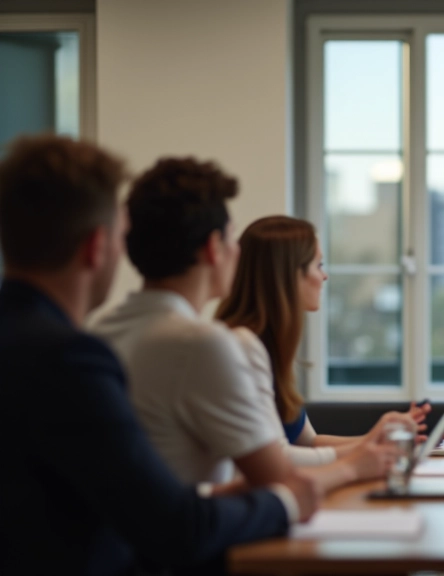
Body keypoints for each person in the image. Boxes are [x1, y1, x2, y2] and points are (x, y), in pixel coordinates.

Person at [0, 135, 318, 575]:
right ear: (97, 246)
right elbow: (177, 530)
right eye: (119, 236)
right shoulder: (69, 361)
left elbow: (114, 502)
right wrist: (284, 502)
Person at [90, 157, 401, 491]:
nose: (237, 253)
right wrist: (355, 466)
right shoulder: (202, 344)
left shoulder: (99, 332)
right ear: (213, 248)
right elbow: (280, 476)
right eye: (231, 238)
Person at [215, 215, 430, 461]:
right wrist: (367, 452)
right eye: (318, 265)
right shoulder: (243, 349)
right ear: (288, 275)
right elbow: (281, 458)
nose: (324, 276)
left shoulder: (269, 347)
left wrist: (380, 438)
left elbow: (307, 441)